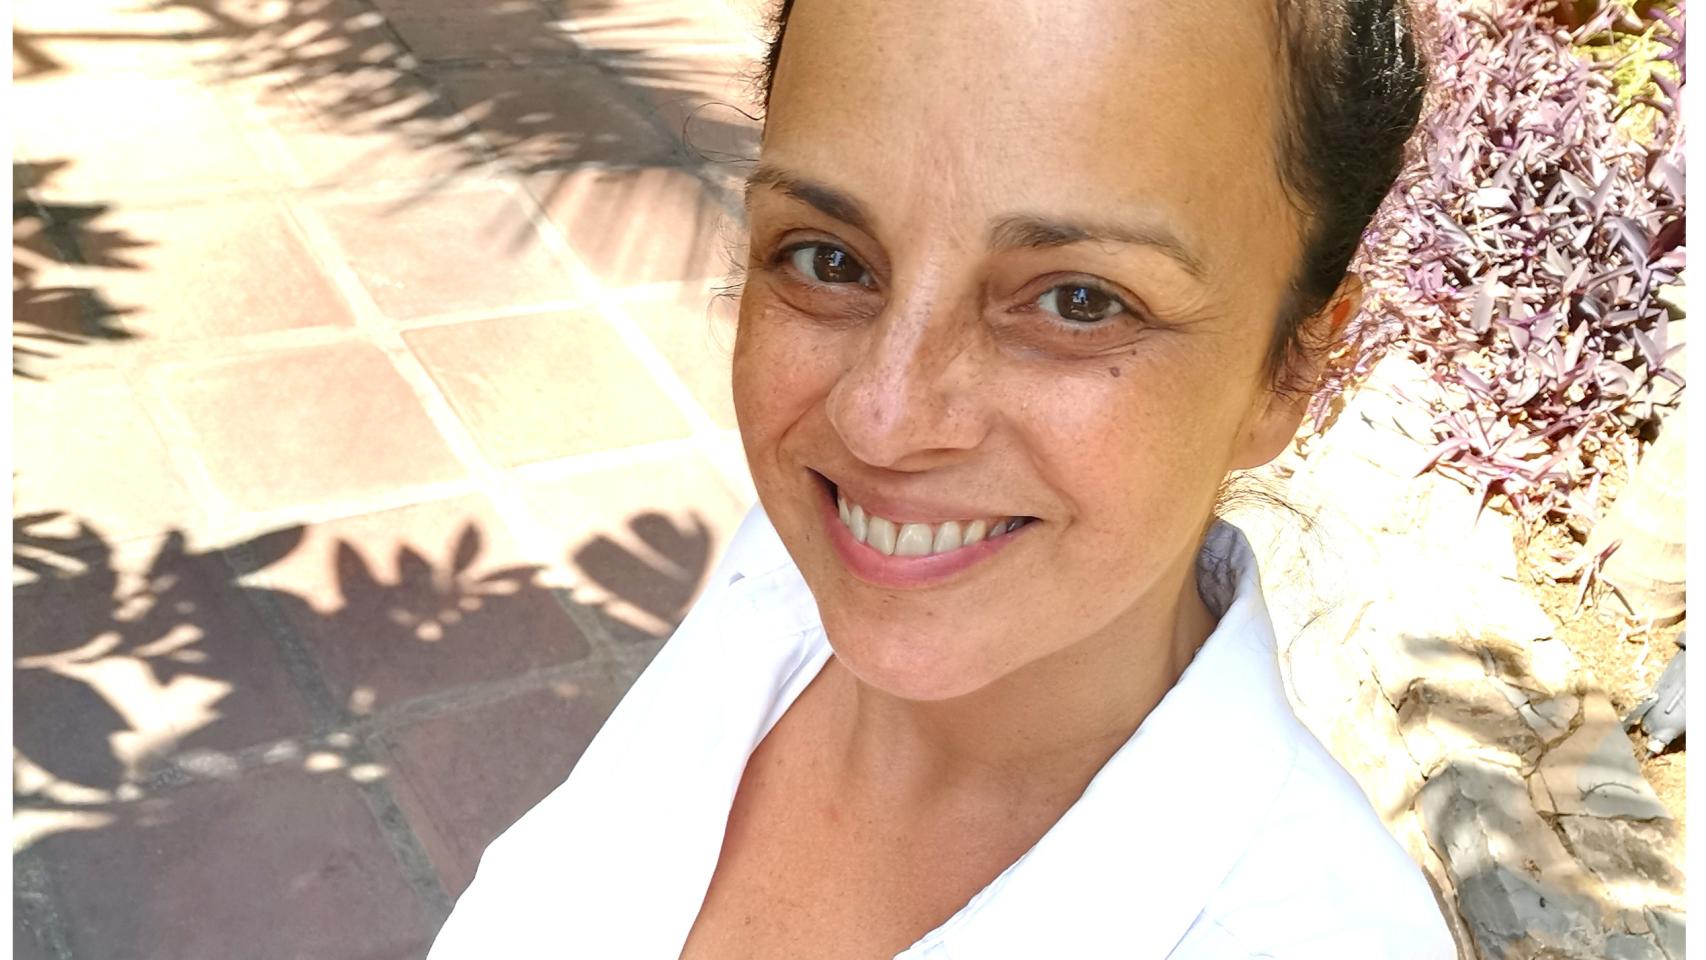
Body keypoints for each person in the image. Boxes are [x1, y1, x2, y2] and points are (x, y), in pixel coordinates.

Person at [428, 0, 1459, 956]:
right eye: (828, 259)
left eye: (1078, 301)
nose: (879, 423)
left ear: (1290, 370)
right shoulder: (791, 572)